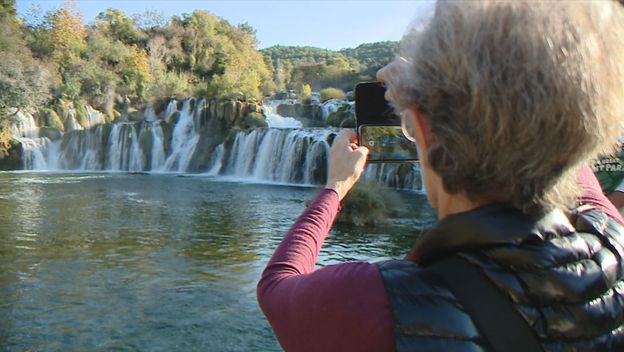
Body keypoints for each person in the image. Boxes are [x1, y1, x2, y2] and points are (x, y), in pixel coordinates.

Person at [258, 1, 624, 351]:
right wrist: (430, 96)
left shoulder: (377, 302)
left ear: (424, 131)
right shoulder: (611, 242)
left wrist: (335, 187)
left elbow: (277, 287)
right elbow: (564, 134)